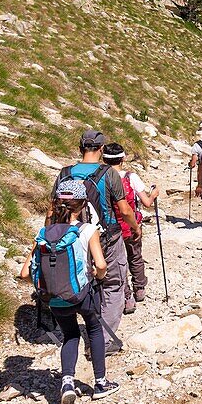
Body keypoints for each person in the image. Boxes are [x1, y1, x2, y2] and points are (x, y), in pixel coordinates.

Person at [20, 180, 120, 404]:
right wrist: (97, 274)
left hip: (55, 298)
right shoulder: (87, 230)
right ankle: (101, 382)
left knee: (70, 335)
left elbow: (24, 273)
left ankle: (67, 382)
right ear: (83, 204)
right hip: (82, 293)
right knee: (93, 329)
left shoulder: (43, 233)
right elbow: (102, 265)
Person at [51, 130, 141, 354]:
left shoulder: (64, 173)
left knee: (81, 281)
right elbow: (124, 209)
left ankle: (77, 331)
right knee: (112, 284)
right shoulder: (108, 173)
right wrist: (135, 227)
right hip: (107, 238)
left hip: (71, 238)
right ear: (101, 150)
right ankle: (103, 342)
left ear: (80, 148)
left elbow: (52, 210)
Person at [101, 143, 158, 315]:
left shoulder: (100, 178)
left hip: (109, 228)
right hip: (130, 224)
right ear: (123, 158)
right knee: (135, 255)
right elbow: (147, 203)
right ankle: (139, 288)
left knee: (118, 263)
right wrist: (154, 193)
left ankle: (127, 298)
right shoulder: (130, 177)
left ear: (104, 159)